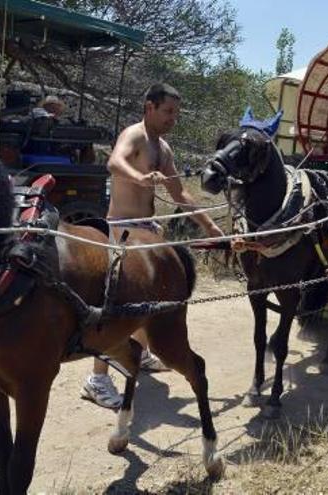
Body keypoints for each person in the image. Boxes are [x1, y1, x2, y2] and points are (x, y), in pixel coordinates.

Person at [81, 83, 225, 410]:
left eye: (176, 113)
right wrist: (138, 177)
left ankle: (140, 355)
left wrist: (212, 227)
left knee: (153, 299)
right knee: (116, 306)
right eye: (168, 112)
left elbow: (181, 195)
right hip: (121, 231)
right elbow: (115, 163)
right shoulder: (133, 135)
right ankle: (97, 379)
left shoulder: (165, 149)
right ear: (149, 107)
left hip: (146, 230)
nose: (173, 118)